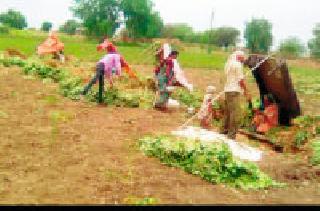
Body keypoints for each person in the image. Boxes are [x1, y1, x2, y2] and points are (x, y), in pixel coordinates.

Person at [222, 50, 250, 139]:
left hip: (227, 90)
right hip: (234, 91)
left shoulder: (228, 64)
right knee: (235, 113)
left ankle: (223, 130)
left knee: (228, 112)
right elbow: (240, 80)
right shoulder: (238, 65)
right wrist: (246, 91)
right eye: (243, 57)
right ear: (239, 57)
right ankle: (231, 135)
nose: (244, 59)